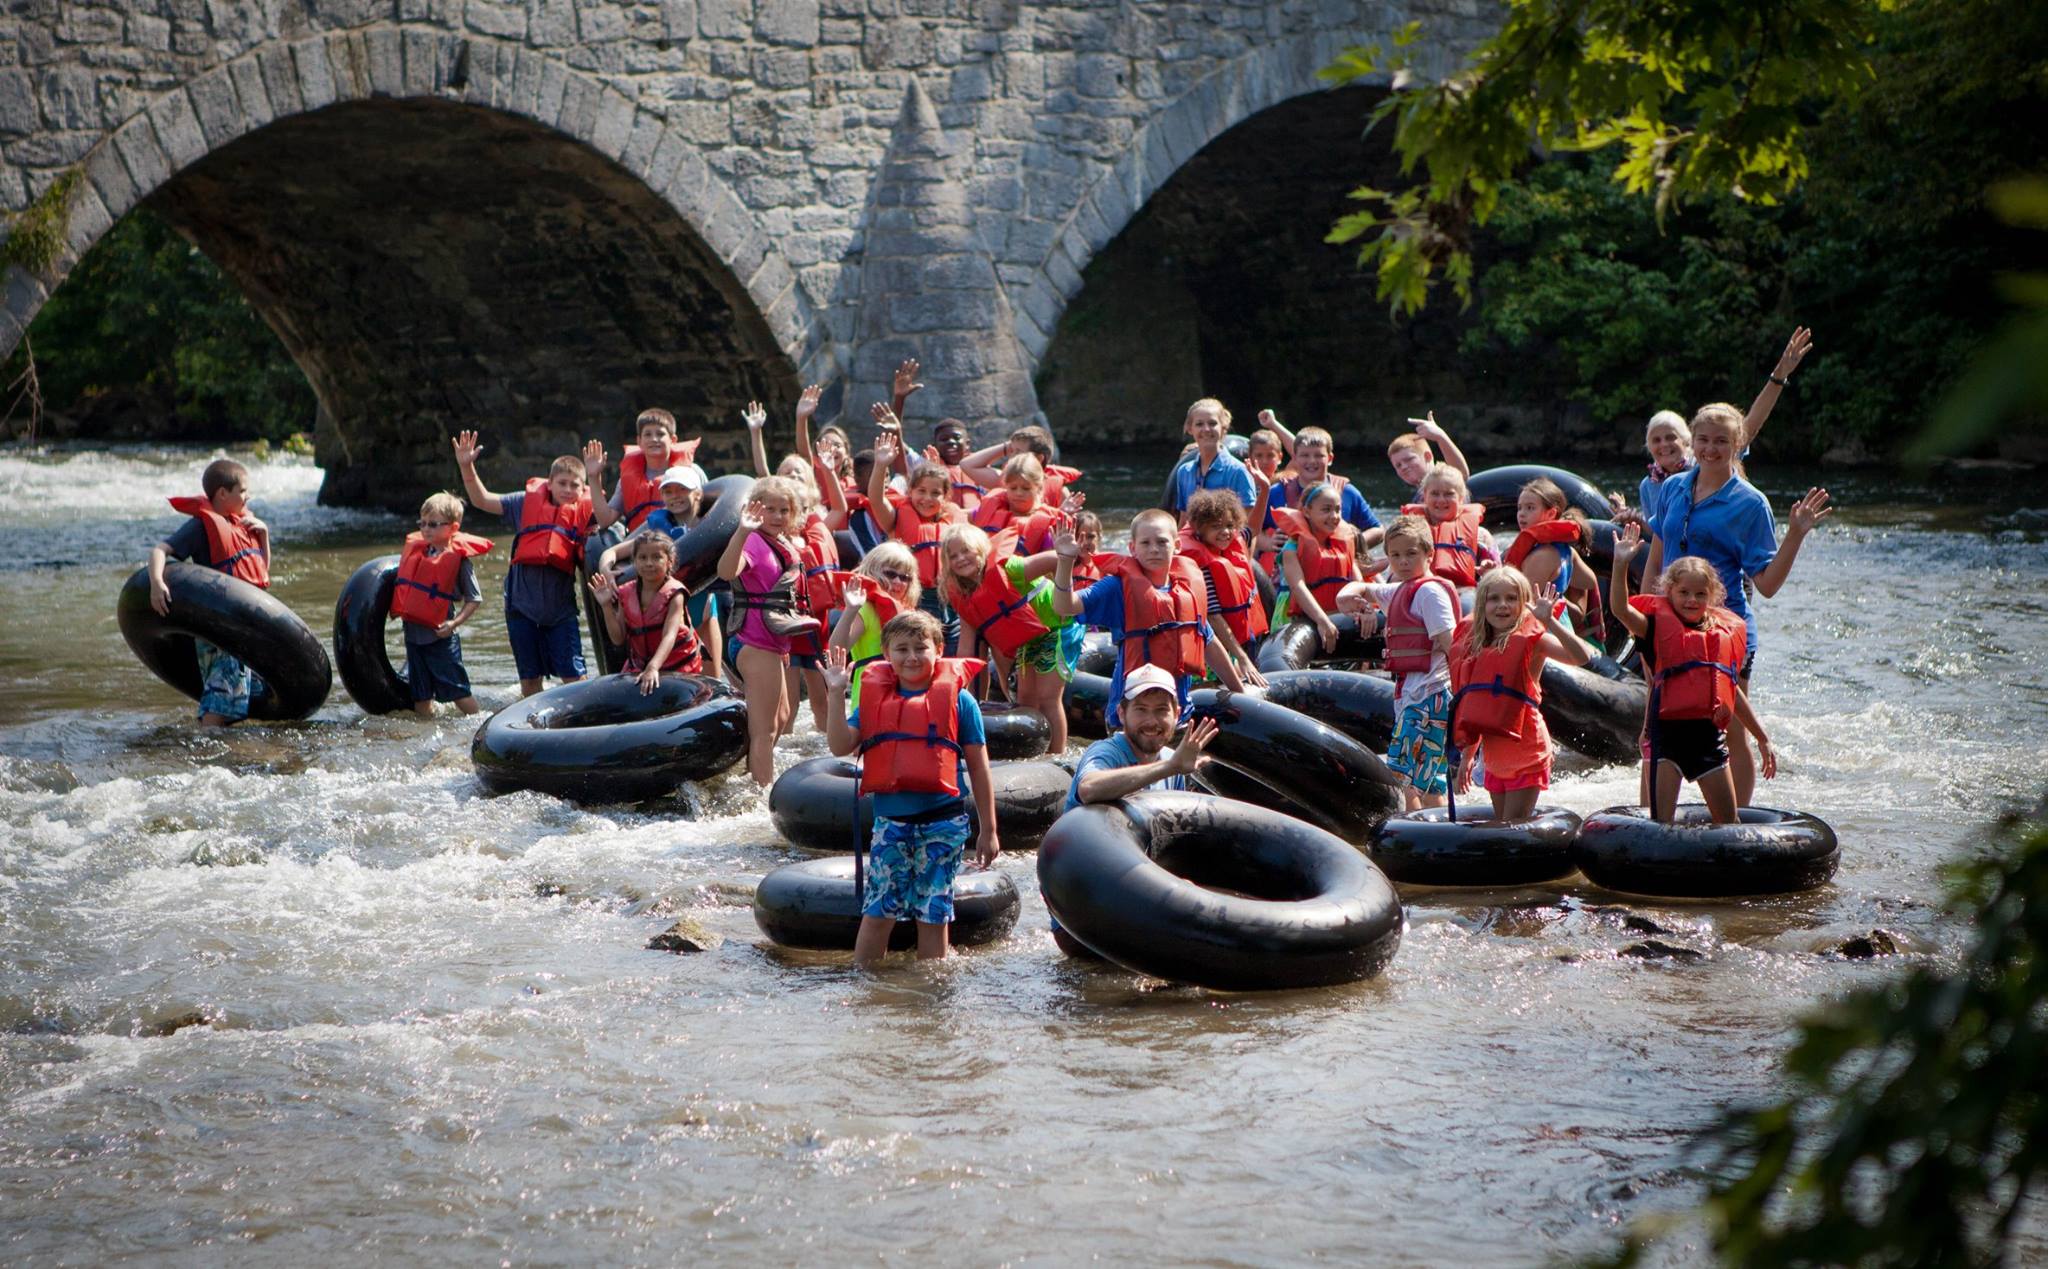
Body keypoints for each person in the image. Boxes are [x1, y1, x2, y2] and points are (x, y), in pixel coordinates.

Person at [1642, 403, 1830, 806]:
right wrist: (1645, 619)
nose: (1711, 449)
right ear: (1693, 441)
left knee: (1728, 725)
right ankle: (1653, 822)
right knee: (1660, 721)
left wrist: (1795, 535)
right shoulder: (1674, 487)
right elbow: (1658, 553)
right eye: (1704, 440)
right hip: (1669, 626)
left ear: (1737, 444)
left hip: (1723, 630)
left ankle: (1736, 823)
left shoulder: (1751, 504)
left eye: (1721, 441)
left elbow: (1767, 584)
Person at [821, 619, 999, 968]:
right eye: (902, 649)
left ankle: (929, 996)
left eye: (921, 648)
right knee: (877, 912)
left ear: (939, 651)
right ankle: (867, 991)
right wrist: (835, 693)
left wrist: (989, 830)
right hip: (892, 825)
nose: (912, 657)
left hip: (943, 825)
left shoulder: (961, 701)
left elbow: (979, 768)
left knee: (933, 915)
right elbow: (840, 744)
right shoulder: (875, 700)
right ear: (887, 654)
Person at [1608, 527, 1778, 825]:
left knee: (1729, 824)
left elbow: (1731, 692)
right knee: (1660, 826)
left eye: (1700, 594)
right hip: (1667, 742)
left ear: (1711, 596)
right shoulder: (1654, 626)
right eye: (1683, 592)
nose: (1691, 600)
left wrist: (1762, 737)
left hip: (1708, 742)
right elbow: (1621, 609)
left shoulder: (1719, 633)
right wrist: (1621, 563)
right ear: (1668, 591)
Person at [1049, 508, 1249, 730]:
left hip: (1177, 714)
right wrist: (1066, 560)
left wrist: (1240, 694)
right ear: (1132, 548)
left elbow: (1208, 643)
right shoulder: (1117, 587)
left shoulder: (1187, 589)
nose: (1154, 549)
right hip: (1130, 719)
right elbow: (1064, 606)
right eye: (1145, 543)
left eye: (1162, 542)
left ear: (1177, 546)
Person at [454, 429, 605, 697]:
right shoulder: (524, 503)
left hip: (561, 611)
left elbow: (609, 516)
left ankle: (581, 724)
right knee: (530, 684)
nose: (568, 490)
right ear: (549, 483)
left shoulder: (586, 511)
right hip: (521, 608)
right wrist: (467, 466)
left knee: (574, 678)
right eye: (562, 483)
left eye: (575, 485)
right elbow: (482, 499)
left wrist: (594, 476)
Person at [1619, 327, 1813, 523]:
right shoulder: (1649, 486)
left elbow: (1751, 425)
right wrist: (1633, 520)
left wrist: (1778, 376)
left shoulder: (1708, 461)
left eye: (1671, 437)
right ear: (1648, 446)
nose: (1664, 445)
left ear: (1688, 442)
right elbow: (1658, 537)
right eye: (1656, 439)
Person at [1447, 566, 1595, 820]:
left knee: (1511, 828)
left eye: (1511, 598)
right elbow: (1478, 708)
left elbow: (1582, 656)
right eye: (1494, 598)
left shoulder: (1533, 642)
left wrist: (1550, 624)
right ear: (1482, 604)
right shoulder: (1476, 644)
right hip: (1494, 758)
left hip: (1527, 752)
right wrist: (1467, 758)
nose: (1502, 605)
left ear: (1523, 604)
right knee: (1503, 829)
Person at [1337, 515, 1459, 811]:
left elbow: (1450, 644)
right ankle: (1437, 834)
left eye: (1411, 554)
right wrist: (1347, 599)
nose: (1403, 562)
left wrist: (1462, 697)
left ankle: (1415, 837)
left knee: (1402, 777)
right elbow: (1361, 589)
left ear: (1429, 554)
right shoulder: (1402, 590)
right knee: (1428, 781)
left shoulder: (1429, 593)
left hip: (1428, 698)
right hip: (1415, 697)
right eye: (1395, 555)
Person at [147, 457, 273, 726]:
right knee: (224, 686)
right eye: (243, 491)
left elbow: (261, 572)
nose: (248, 496)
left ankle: (215, 738)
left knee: (240, 689)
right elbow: (161, 550)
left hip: (243, 620)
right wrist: (157, 583)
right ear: (222, 494)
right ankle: (207, 739)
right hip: (219, 624)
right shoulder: (201, 526)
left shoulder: (244, 524)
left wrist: (264, 538)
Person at [940, 523, 1079, 754]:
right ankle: (1034, 752)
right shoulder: (964, 595)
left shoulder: (1010, 568)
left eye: (966, 551)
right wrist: (958, 687)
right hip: (1029, 639)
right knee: (1026, 701)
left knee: (1048, 698)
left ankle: (1057, 755)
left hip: (1058, 628)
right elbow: (966, 648)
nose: (960, 559)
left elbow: (1056, 559)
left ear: (982, 550)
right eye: (953, 556)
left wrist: (1065, 592)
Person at [716, 475, 817, 786]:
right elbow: (726, 571)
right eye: (768, 509)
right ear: (754, 510)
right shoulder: (754, 542)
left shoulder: (781, 543)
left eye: (783, 510)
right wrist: (743, 531)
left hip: (773, 644)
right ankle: (762, 794)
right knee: (766, 730)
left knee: (783, 717)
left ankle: (748, 777)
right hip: (754, 642)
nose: (776, 516)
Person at [390, 491, 489, 717]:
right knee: (421, 698)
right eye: (422, 523)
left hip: (440, 638)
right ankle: (424, 738)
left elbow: (474, 598)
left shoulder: (459, 560)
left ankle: (481, 725)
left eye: (433, 524)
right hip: (413, 638)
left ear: (453, 528)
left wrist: (454, 623)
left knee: (459, 693)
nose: (425, 529)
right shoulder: (418, 552)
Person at [868, 431, 968, 651]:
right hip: (917, 599)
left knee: (954, 657)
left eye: (935, 493)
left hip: (952, 600)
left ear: (945, 497)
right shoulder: (896, 517)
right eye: (921, 491)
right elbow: (875, 499)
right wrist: (881, 465)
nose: (927, 498)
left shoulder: (954, 518)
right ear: (910, 491)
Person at [591, 530, 703, 696]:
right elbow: (618, 638)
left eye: (656, 557)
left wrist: (653, 667)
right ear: (634, 562)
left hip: (679, 664)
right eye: (642, 558)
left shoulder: (675, 594)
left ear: (669, 562)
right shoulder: (626, 592)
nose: (649, 563)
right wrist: (606, 605)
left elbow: (669, 635)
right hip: (640, 665)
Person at [1504, 477, 1606, 651]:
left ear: (1551, 514)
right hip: (1563, 625)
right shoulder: (1567, 551)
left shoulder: (1542, 556)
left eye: (1530, 508)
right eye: (1519, 508)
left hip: (1545, 633)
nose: (1521, 514)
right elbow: (1589, 581)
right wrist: (1566, 602)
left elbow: (1518, 603)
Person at [1177, 491, 1268, 685]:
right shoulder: (1201, 565)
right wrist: (1241, 657)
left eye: (1229, 525)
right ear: (1199, 528)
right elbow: (1213, 616)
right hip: (1211, 648)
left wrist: (1264, 489)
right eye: (1216, 526)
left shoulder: (1229, 544)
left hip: (1232, 643)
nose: (1225, 532)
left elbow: (1253, 529)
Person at [826, 541, 921, 713]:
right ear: (872, 572)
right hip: (870, 695)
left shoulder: (908, 614)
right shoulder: (866, 609)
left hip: (904, 693)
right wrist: (850, 611)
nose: (898, 582)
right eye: (891, 574)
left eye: (905, 577)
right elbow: (837, 650)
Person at [1270, 482, 1366, 651]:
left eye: (1338, 509)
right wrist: (1322, 621)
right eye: (1326, 510)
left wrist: (1365, 610)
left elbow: (1357, 583)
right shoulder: (1291, 549)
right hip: (1299, 619)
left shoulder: (1343, 545)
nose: (1334, 516)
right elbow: (1298, 587)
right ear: (1307, 511)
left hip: (1338, 614)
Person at [1263, 426, 1383, 550]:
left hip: (1337, 565)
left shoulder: (1347, 492)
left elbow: (1377, 530)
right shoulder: (1276, 492)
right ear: (1295, 458)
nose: (1312, 461)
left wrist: (1352, 543)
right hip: (1289, 566)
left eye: (1319, 455)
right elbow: (1251, 530)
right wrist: (1268, 542)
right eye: (1304, 455)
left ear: (1330, 459)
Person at [1400, 463, 1491, 593]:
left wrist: (1487, 571)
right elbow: (1394, 574)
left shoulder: (1481, 536)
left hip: (1461, 592)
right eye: (1435, 494)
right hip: (1417, 591)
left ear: (1460, 498)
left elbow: (1496, 576)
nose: (1441, 500)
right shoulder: (1406, 531)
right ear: (1424, 496)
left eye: (1449, 494)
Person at [1163, 397, 1256, 518]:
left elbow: (1247, 521)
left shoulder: (1238, 471)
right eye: (1199, 424)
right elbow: (1185, 519)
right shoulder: (1184, 471)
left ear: (1223, 427)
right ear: (1190, 429)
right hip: (1193, 536)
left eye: (1212, 423)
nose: (1206, 429)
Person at [970, 452, 1071, 558]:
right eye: (1013, 488)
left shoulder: (1047, 527)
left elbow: (1050, 571)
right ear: (1005, 487)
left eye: (1026, 488)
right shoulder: (989, 509)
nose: (1018, 493)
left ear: (1039, 488)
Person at [1385, 411, 1470, 500]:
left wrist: (1441, 437)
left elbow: (1461, 474)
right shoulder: (1418, 498)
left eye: (1409, 459)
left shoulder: (1445, 481)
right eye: (1398, 465)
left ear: (1427, 456)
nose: (1403, 467)